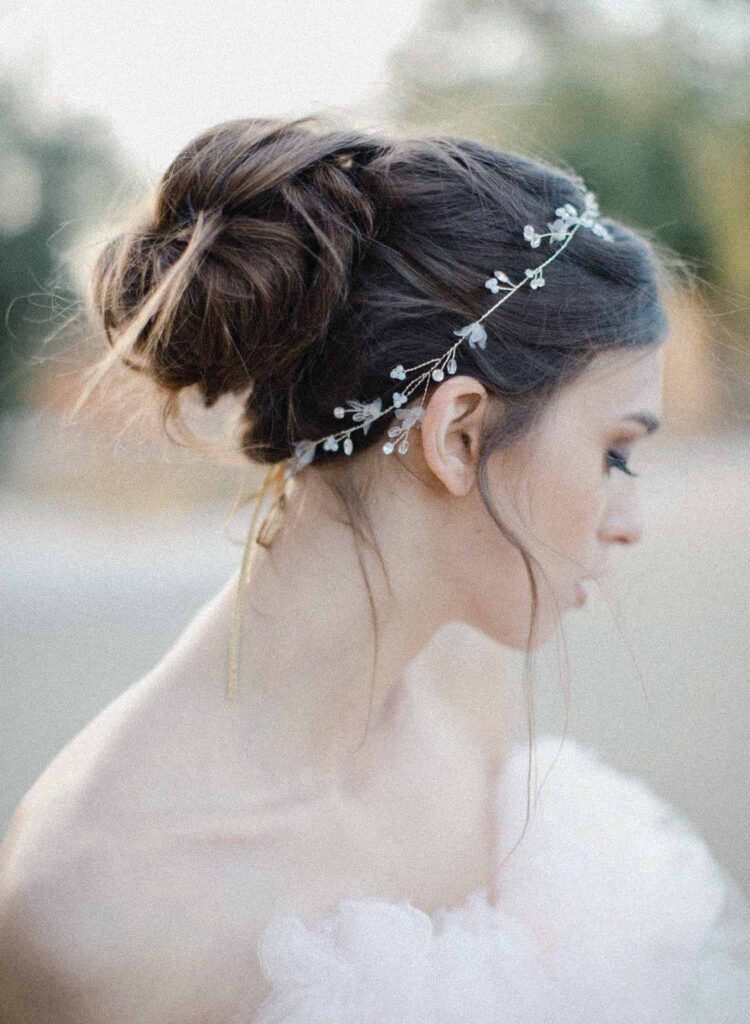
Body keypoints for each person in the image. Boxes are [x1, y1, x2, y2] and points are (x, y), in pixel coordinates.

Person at [0, 115, 748, 1023]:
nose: (630, 523)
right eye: (617, 454)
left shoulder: (461, 668)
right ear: (459, 434)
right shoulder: (99, 913)